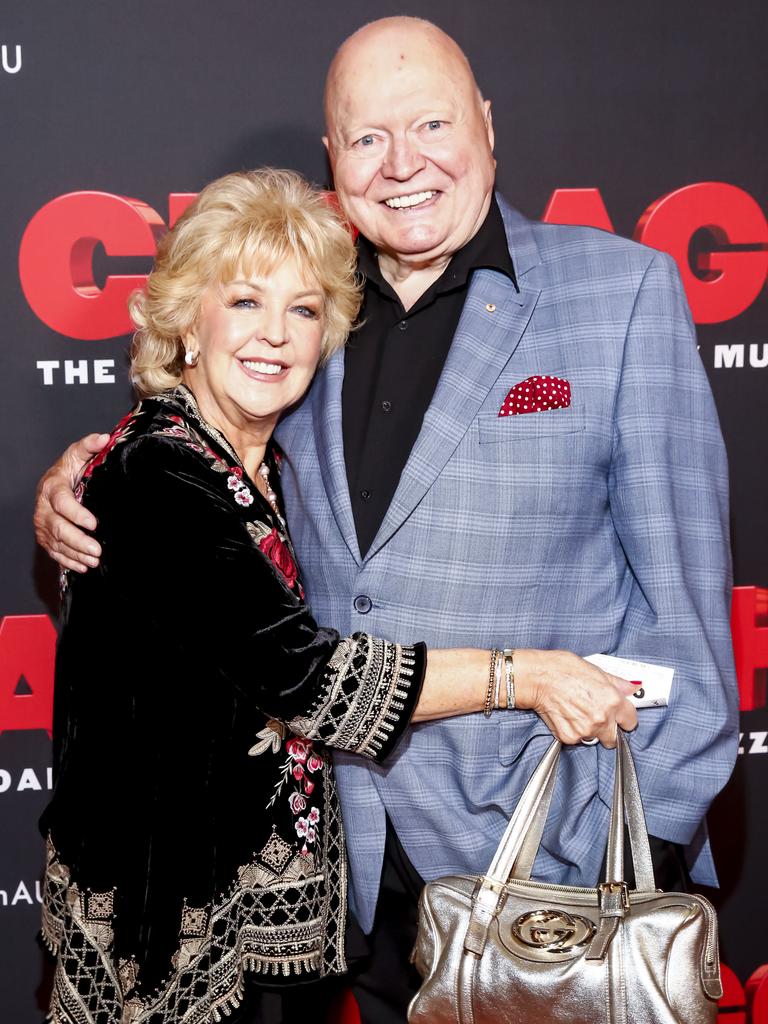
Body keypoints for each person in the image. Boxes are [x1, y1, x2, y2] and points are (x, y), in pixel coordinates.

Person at [34, 17, 738, 1024]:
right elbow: (204, 467)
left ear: (488, 127)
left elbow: (690, 617)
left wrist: (635, 854)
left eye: (431, 124)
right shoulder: (312, 308)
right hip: (336, 878)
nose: (403, 164)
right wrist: (86, 477)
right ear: (335, 159)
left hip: (550, 869)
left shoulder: (618, 293)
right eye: (368, 138)